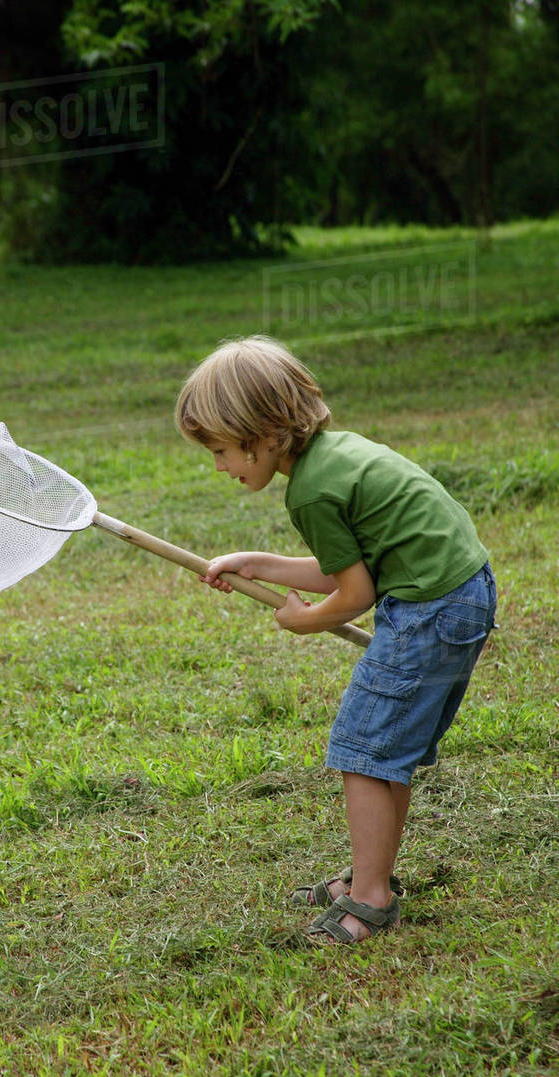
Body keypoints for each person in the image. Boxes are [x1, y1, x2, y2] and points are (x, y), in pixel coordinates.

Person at [175, 334, 497, 945]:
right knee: (386, 749)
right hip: (460, 592)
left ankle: (370, 898)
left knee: (364, 750)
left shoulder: (312, 490)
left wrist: (303, 620)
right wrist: (261, 563)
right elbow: (350, 564)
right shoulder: (335, 455)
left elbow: (352, 595)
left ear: (264, 433)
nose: (219, 466)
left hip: (430, 608)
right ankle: (370, 877)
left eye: (220, 450)